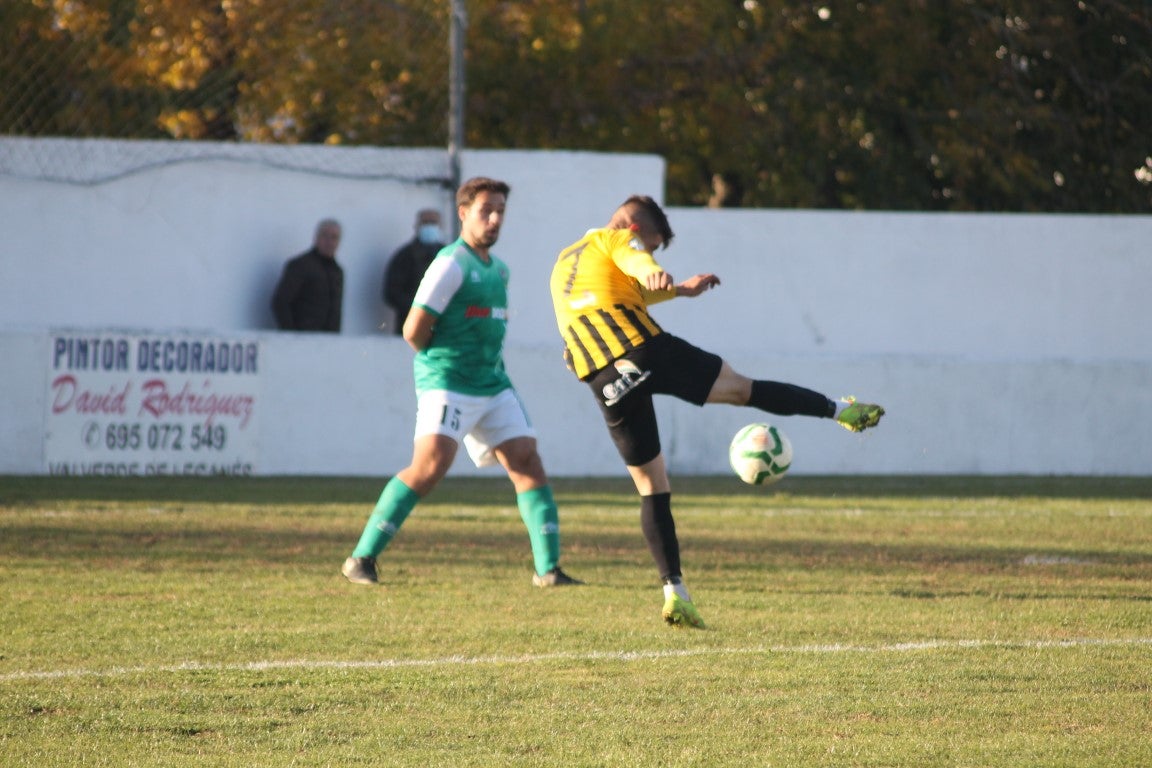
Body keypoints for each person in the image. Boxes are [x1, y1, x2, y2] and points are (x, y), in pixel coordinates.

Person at [549, 195, 884, 629]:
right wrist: (650, 267)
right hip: (644, 350)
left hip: (602, 377)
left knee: (651, 488)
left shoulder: (567, 260)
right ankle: (841, 410)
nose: (649, 252)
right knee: (745, 390)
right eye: (652, 245)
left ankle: (675, 593)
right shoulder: (619, 240)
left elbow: (618, 291)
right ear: (634, 229)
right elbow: (633, 263)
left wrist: (680, 290)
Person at [342, 177, 582, 588]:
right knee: (431, 465)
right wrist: (441, 364)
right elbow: (414, 328)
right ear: (463, 213)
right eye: (486, 210)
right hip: (449, 381)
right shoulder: (451, 263)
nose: (494, 219)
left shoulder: (499, 270)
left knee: (527, 460)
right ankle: (361, 558)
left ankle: (548, 571)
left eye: (500, 211)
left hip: (492, 383)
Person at [271, 219, 344, 332]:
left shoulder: (337, 272)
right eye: (324, 235)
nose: (329, 241)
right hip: (303, 340)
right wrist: (292, 335)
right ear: (316, 238)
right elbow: (280, 302)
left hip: (329, 343)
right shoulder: (300, 266)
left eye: (334, 237)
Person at [382, 209, 446, 335]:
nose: (429, 226)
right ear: (417, 226)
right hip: (409, 326)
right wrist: (419, 308)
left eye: (433, 223)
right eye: (425, 223)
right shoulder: (404, 256)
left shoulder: (448, 255)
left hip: (442, 328)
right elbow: (391, 293)